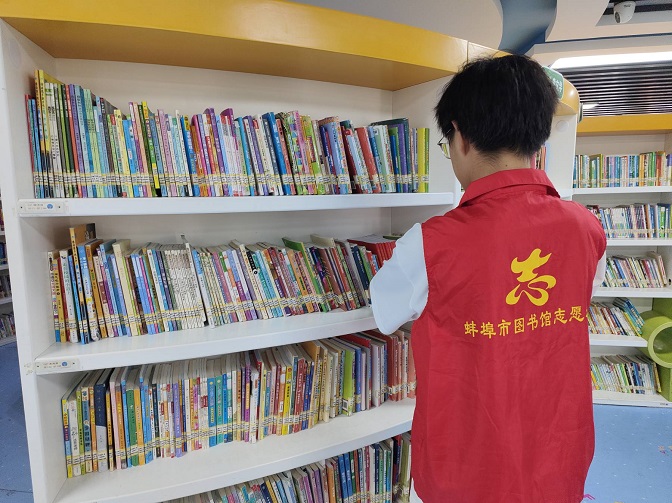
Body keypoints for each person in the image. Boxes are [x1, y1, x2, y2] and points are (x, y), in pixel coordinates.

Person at [370, 55, 607, 503]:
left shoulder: (430, 243)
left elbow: (384, 312)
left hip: (466, 467)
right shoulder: (587, 227)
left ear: (460, 137)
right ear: (538, 137)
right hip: (558, 457)